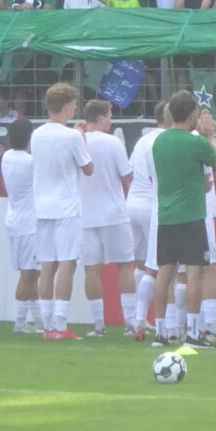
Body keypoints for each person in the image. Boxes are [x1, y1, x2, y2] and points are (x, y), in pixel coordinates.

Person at [149, 90, 216, 348]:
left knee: (164, 274)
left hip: (167, 216)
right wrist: (209, 137)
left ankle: (162, 331)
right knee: (194, 272)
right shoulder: (195, 143)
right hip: (192, 215)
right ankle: (195, 332)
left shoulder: (159, 141)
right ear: (193, 114)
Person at [30, 81, 94, 339]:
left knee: (48, 265)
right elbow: (88, 168)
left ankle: (47, 325)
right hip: (66, 207)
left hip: (42, 205)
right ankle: (59, 324)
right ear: (67, 106)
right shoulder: (71, 137)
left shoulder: (37, 134)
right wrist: (82, 138)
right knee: (67, 263)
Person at [77, 99, 135, 338]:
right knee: (125, 266)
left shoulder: (77, 141)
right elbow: (128, 175)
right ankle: (131, 323)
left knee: (91, 270)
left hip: (86, 215)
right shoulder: (113, 143)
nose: (111, 121)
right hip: (113, 213)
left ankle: (98, 324)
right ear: (100, 118)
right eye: (110, 116)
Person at [125, 104, 166, 337]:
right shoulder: (164, 141)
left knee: (141, 263)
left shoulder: (143, 140)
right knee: (158, 266)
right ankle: (142, 320)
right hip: (153, 205)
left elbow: (131, 172)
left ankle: (136, 319)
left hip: (133, 203)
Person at [0, 118, 43, 333]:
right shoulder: (30, 162)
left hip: (15, 220)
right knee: (29, 273)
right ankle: (19, 322)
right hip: (29, 224)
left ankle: (38, 320)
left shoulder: (7, 157)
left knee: (32, 272)